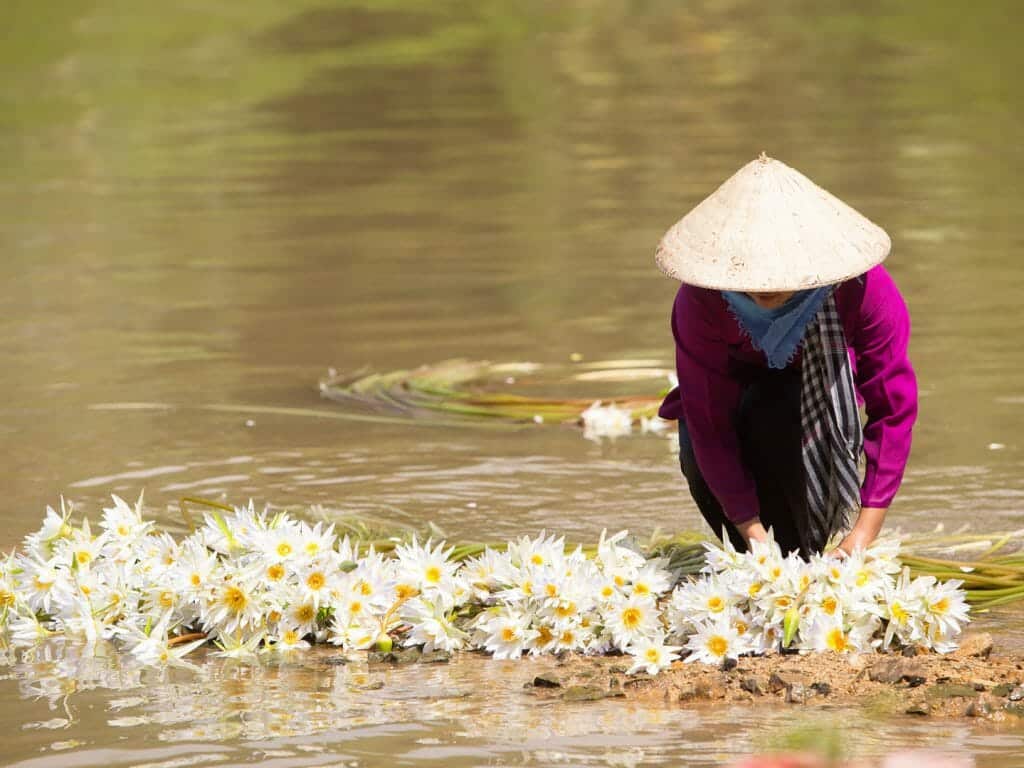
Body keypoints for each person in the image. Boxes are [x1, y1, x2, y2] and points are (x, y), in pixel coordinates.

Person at [655, 154, 917, 559]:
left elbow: (893, 409)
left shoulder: (863, 291)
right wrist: (754, 535)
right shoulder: (701, 302)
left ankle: (811, 548)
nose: (765, 287)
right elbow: (709, 421)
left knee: (780, 403)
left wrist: (864, 533)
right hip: (734, 418)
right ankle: (755, 549)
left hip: (811, 419)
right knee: (702, 435)